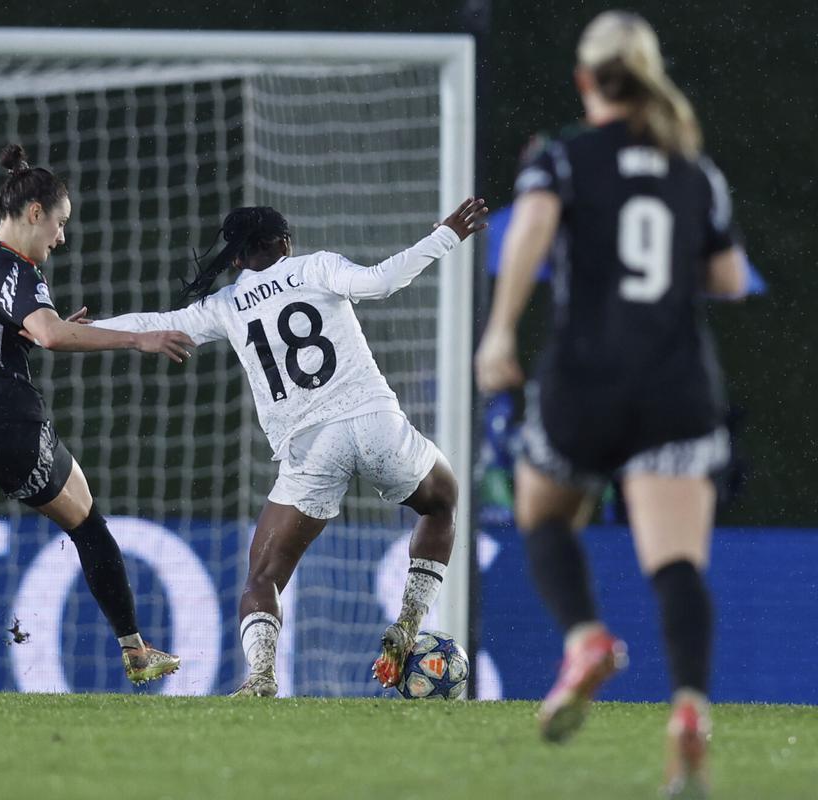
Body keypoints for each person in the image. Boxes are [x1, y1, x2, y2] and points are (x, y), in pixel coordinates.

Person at [474, 11, 748, 798]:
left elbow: (529, 232)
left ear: (586, 81)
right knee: (677, 564)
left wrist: (499, 333)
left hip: (585, 380)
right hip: (676, 385)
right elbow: (728, 281)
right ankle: (689, 712)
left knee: (544, 513)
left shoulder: (560, 158)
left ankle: (586, 638)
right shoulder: (693, 168)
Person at [75, 198, 487, 697]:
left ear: (235, 260)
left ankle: (262, 676)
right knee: (442, 501)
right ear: (284, 242)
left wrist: (74, 330)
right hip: (375, 421)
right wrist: (444, 235)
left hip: (312, 447)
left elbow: (152, 323)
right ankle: (408, 622)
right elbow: (381, 281)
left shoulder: (225, 305)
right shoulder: (318, 267)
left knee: (263, 576)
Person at [0, 143, 194, 691]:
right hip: (5, 426)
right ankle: (135, 650)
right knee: (87, 524)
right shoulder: (19, 268)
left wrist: (38, 324)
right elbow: (51, 334)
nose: (61, 238)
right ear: (34, 212)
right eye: (59, 223)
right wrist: (140, 337)